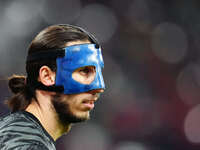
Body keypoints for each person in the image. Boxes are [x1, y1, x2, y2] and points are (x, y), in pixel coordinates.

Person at [0, 24, 105, 150]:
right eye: (84, 71)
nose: (99, 87)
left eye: (97, 72)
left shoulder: (18, 132)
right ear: (47, 76)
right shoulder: (28, 145)